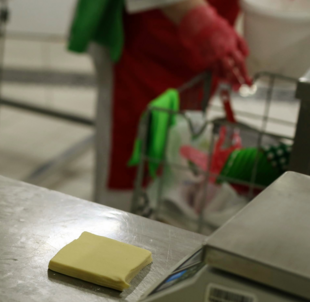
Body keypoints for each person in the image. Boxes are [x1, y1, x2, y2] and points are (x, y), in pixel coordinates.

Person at [69, 0, 251, 210]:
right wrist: (198, 20)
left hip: (199, 44)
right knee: (130, 167)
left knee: (178, 147)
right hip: (144, 40)